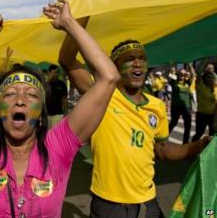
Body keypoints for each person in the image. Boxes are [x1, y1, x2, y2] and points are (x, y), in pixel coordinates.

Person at [0, 0, 120, 218]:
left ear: (41, 114)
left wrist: (69, 23)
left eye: (31, 95)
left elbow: (109, 77)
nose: (20, 100)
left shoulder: (59, 147)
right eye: (10, 94)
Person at [58, 36, 211, 218]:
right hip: (109, 205)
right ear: (114, 67)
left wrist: (199, 146)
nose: (138, 63)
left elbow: (162, 150)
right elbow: (66, 60)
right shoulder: (102, 95)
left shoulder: (157, 106)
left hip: (148, 202)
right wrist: (82, 11)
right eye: (130, 59)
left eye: (142, 59)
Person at [168, 67, 195, 144]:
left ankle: (185, 143)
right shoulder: (174, 82)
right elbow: (170, 74)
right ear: (178, 74)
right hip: (176, 107)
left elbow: (193, 74)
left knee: (187, 126)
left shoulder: (187, 83)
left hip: (186, 107)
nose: (182, 76)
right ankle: (164, 138)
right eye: (180, 74)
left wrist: (190, 65)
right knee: (173, 123)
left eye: (183, 74)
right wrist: (172, 68)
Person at [192, 63, 217, 141]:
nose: (211, 79)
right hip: (202, 115)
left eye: (213, 78)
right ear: (205, 79)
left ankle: (209, 152)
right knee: (199, 133)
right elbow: (198, 72)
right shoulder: (200, 85)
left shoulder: (216, 88)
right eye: (209, 78)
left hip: (213, 115)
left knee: (213, 134)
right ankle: (192, 150)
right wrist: (205, 60)